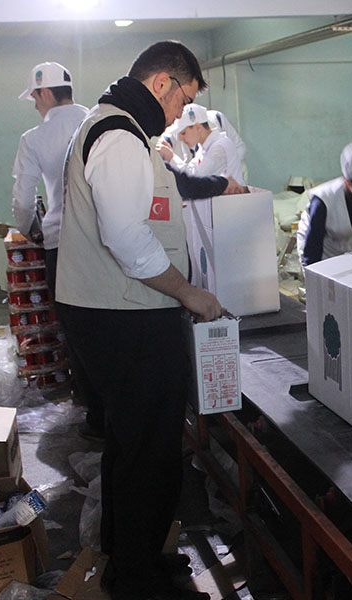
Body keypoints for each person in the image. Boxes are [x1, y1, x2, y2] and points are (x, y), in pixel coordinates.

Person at [55, 40, 243, 600]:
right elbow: (126, 237)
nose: (180, 114)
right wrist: (189, 293)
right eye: (183, 99)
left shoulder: (122, 128)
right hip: (123, 315)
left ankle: (131, 558)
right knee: (151, 449)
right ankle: (138, 579)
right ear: (162, 83)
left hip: (119, 311)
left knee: (131, 443)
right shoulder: (117, 134)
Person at [12, 61, 89, 295]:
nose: (36, 106)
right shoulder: (99, 123)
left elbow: (23, 201)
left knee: (70, 312)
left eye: (35, 98)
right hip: (106, 241)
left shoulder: (33, 139)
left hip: (62, 241)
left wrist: (28, 228)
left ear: (44, 93)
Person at [157, 102, 244, 184]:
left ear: (198, 128)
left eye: (183, 133)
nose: (180, 138)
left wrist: (171, 157)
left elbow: (195, 177)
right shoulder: (204, 149)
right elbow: (189, 170)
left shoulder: (219, 147)